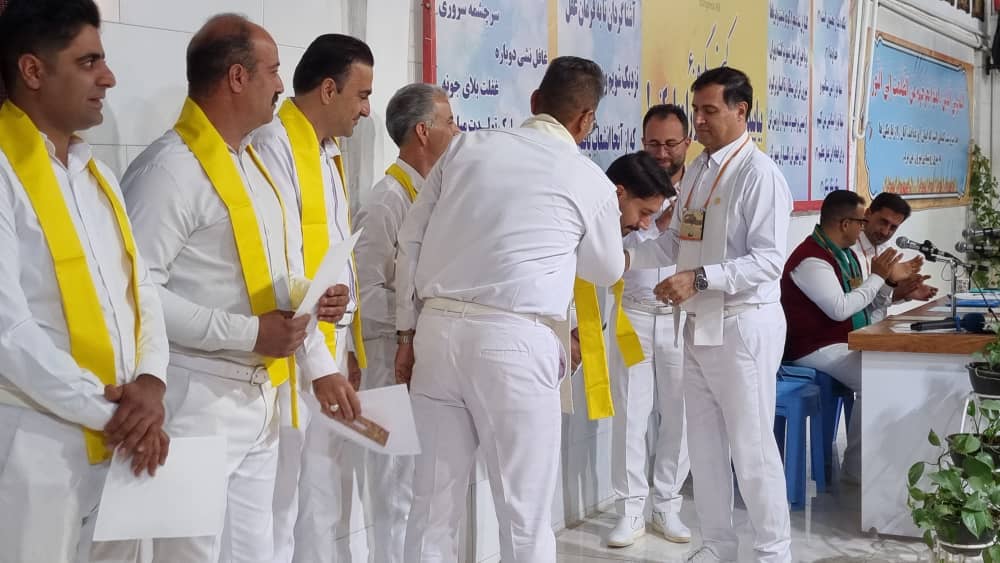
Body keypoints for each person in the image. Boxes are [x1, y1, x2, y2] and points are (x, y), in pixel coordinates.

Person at [122, 14, 356, 562]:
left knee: (256, 552)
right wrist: (248, 333)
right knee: (187, 555)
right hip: (192, 398)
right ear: (236, 77)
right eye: (272, 71)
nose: (280, 85)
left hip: (256, 398)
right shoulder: (168, 170)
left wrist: (310, 295)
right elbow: (135, 295)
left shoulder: (252, 164)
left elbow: (272, 273)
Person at [394, 56, 624, 562]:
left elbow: (411, 238)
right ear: (586, 120)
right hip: (515, 341)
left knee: (431, 508)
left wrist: (405, 334)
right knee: (524, 516)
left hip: (436, 333)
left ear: (535, 101)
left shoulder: (467, 147)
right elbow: (607, 269)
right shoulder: (588, 179)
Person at [0, 1, 170, 561]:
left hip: (120, 442)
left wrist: (152, 381)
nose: (109, 77)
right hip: (36, 440)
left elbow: (141, 293)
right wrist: (118, 415)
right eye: (88, 61)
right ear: (32, 70)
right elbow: (8, 332)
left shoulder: (97, 176)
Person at [627, 66, 793, 563]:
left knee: (752, 447)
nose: (698, 120)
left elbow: (769, 261)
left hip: (743, 324)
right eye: (695, 110)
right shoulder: (699, 170)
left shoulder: (759, 174)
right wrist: (621, 256)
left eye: (709, 111)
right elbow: (675, 243)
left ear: (741, 112)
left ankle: (773, 552)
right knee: (703, 446)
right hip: (698, 325)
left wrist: (698, 278)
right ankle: (718, 546)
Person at [250, 33, 372, 563]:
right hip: (296, 350)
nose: (366, 110)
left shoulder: (327, 152)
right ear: (328, 89)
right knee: (285, 502)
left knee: (321, 495)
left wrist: (350, 347)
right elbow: (281, 262)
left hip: (329, 346)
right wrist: (321, 360)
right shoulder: (273, 144)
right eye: (361, 95)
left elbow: (334, 258)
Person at [353, 82, 459, 563]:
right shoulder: (386, 201)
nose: (456, 131)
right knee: (392, 488)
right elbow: (364, 294)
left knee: (424, 487)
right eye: (449, 122)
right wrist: (410, 323)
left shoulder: (431, 195)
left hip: (423, 358)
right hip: (384, 362)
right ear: (422, 131)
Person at [782, 190, 920, 483]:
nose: (863, 228)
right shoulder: (811, 258)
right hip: (810, 347)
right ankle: (857, 468)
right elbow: (840, 309)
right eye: (861, 221)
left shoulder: (842, 255)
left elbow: (865, 303)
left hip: (841, 340)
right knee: (875, 376)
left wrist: (888, 285)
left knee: (895, 366)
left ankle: (888, 455)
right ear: (846, 224)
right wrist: (879, 277)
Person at [606, 107, 693, 548]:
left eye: (670, 144)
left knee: (680, 413)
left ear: (686, 144)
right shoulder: (623, 184)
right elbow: (605, 249)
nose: (661, 152)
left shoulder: (699, 189)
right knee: (630, 414)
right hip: (634, 313)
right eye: (653, 143)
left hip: (682, 315)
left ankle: (667, 505)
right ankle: (629, 510)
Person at [852, 192, 936, 323]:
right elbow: (860, 306)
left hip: (878, 327)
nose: (885, 231)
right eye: (883, 222)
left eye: (893, 227)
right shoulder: (850, 249)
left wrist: (904, 291)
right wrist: (891, 283)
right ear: (868, 214)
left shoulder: (884, 248)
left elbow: (878, 302)